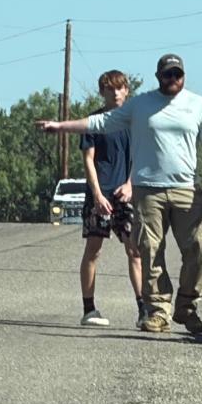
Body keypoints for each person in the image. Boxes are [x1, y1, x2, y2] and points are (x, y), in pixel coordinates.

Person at [37, 53, 202, 335]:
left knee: (200, 243)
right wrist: (60, 126)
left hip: (186, 187)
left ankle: (186, 305)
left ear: (183, 76)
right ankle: (158, 311)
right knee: (149, 249)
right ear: (158, 76)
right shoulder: (141, 105)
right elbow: (100, 123)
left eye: (177, 74)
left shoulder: (198, 105)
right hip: (148, 190)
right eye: (167, 74)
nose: (173, 79)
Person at [77, 70, 143, 328]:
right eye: (109, 89)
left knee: (135, 249)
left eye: (119, 88)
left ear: (127, 90)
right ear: (102, 92)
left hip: (125, 194)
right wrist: (96, 195)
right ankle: (89, 309)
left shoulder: (135, 121)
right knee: (94, 250)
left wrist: (130, 185)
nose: (115, 93)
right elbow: (88, 159)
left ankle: (143, 309)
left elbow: (141, 156)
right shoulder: (94, 121)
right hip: (99, 195)